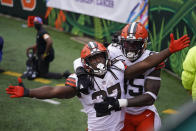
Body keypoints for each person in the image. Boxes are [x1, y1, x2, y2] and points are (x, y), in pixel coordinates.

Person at [6, 37, 189, 131]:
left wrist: (169, 50)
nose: (98, 62)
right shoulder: (81, 79)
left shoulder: (117, 69)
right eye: (93, 59)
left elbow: (146, 63)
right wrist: (29, 92)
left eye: (101, 57)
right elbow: (56, 90)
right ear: (85, 63)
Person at [73, 23, 190, 131]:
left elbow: (150, 97)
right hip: (120, 115)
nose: (130, 48)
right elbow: (84, 58)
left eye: (136, 43)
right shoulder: (113, 51)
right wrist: (81, 73)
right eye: (127, 43)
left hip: (143, 112)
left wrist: (119, 102)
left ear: (144, 43)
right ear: (121, 41)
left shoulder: (154, 58)